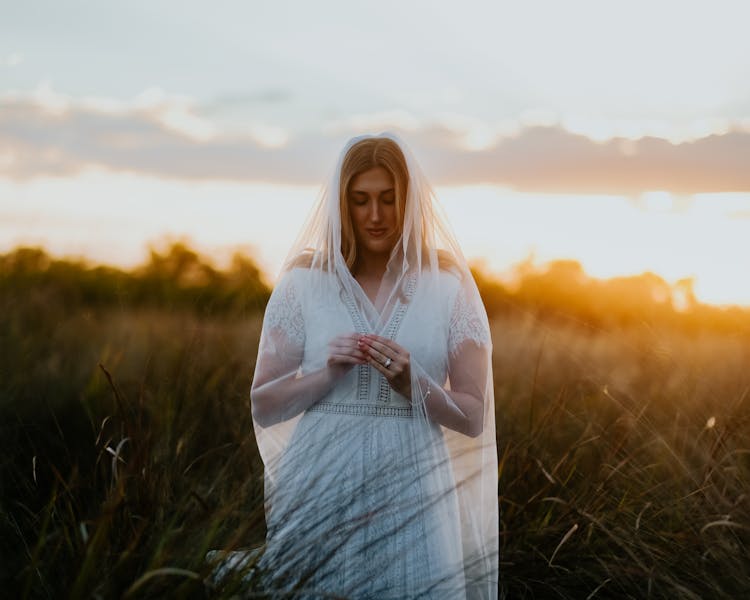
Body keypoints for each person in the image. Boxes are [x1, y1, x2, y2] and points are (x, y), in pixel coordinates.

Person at [249, 132, 498, 599]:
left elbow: (473, 416)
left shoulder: (448, 286)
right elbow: (264, 404)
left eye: (388, 199)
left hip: (415, 485)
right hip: (319, 478)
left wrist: (416, 383)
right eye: (361, 200)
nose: (376, 215)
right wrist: (326, 374)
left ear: (410, 201)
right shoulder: (305, 282)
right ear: (342, 204)